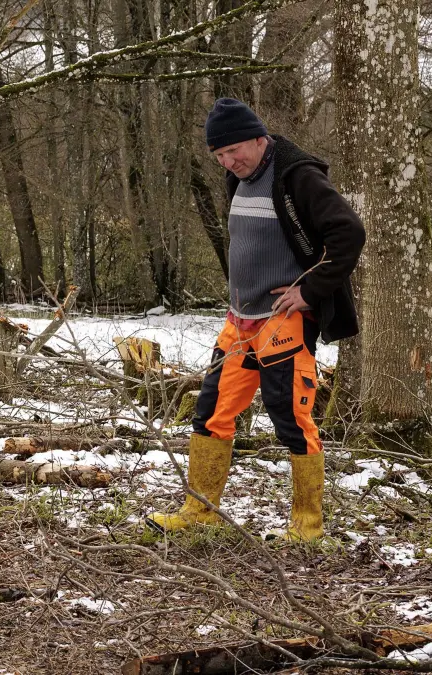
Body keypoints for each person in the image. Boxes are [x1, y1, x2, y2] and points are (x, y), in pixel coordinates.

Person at [148, 98, 365, 541]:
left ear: (258, 138)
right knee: (210, 413)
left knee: (291, 420)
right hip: (239, 322)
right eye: (220, 156)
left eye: (234, 152)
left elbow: (349, 232)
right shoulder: (238, 178)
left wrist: (310, 289)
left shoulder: (297, 176)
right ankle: (199, 511)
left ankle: (307, 528)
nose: (229, 162)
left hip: (283, 322)